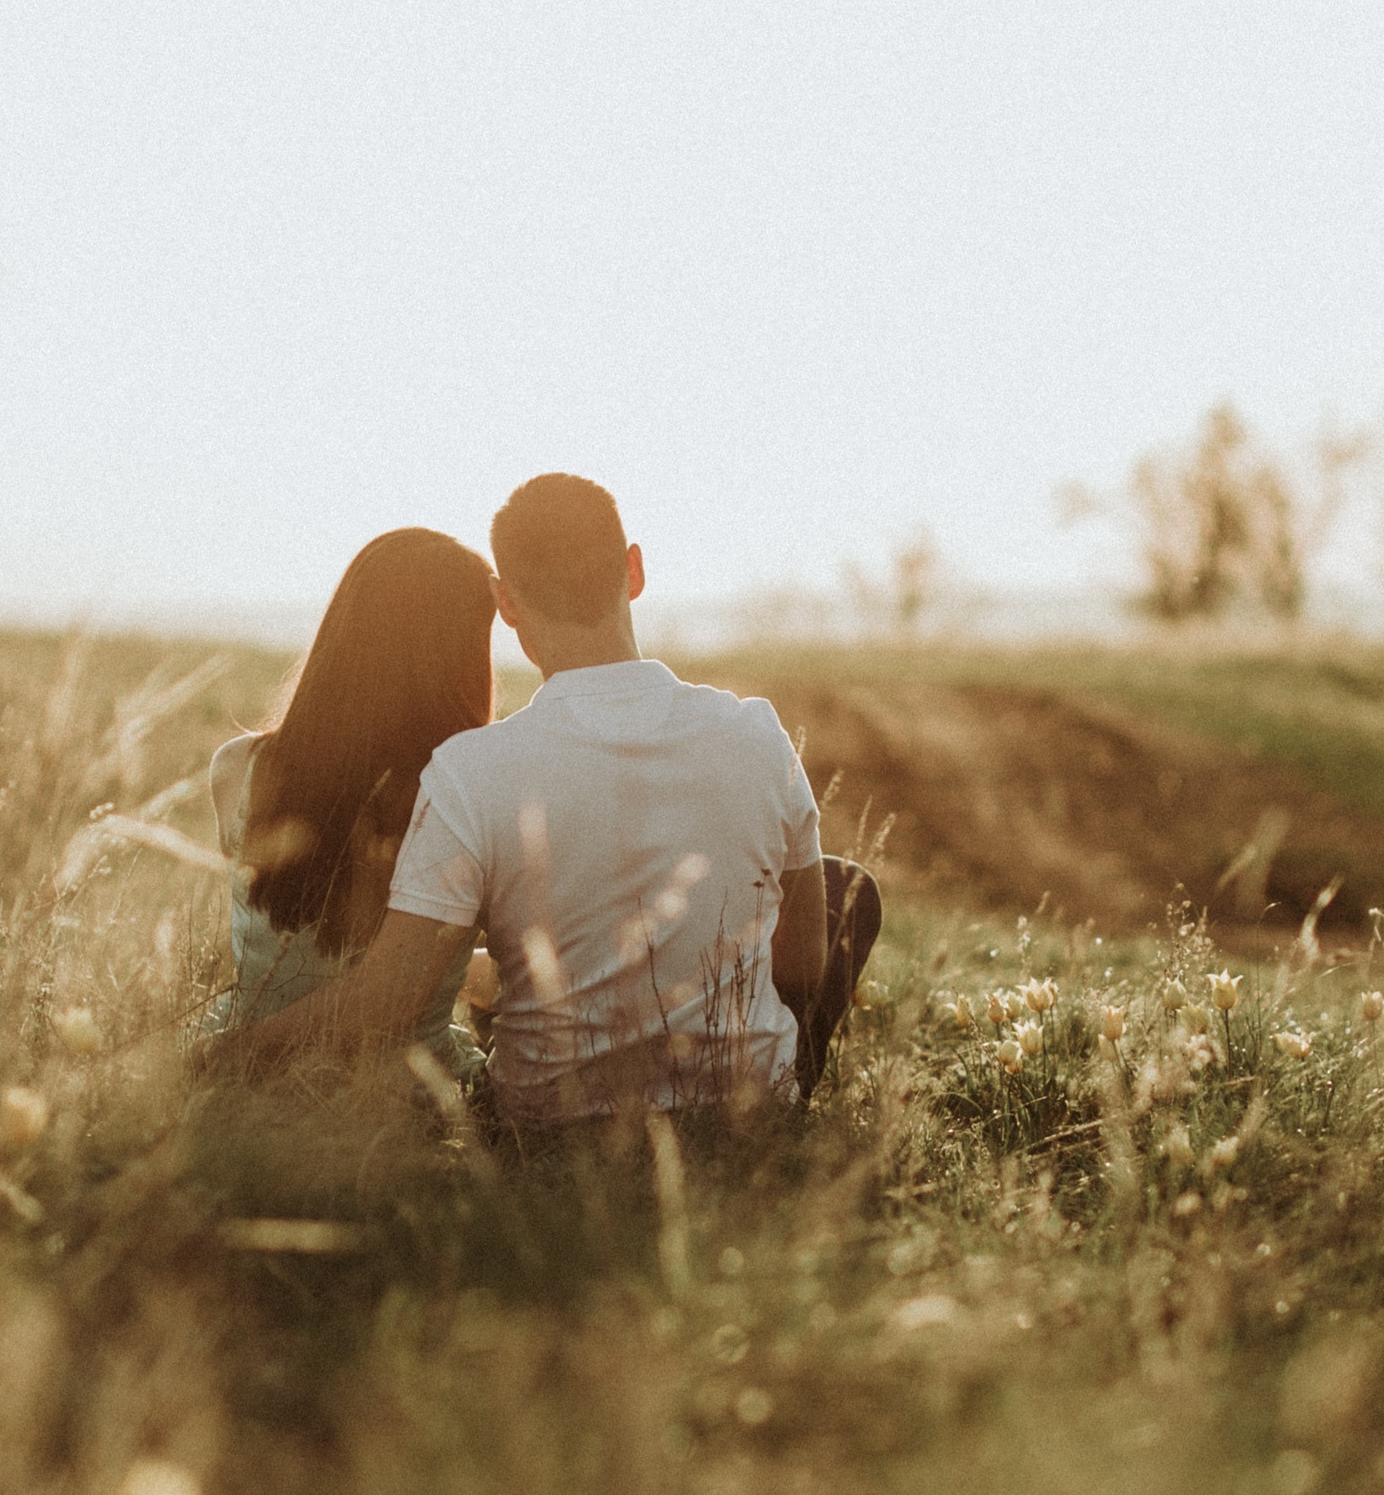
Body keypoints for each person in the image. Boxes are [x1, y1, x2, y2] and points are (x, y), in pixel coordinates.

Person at [229, 474, 881, 1118]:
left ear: (506, 604)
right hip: (744, 1110)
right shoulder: (758, 734)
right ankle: (767, 1084)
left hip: (550, 1121)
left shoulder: (471, 770)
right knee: (843, 887)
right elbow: (802, 969)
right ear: (634, 570)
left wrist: (219, 1053)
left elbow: (388, 998)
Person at [199, 527, 498, 1080]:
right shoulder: (467, 790)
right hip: (403, 1089)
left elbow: (307, 955)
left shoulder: (238, 768)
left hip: (252, 1079)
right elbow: (394, 978)